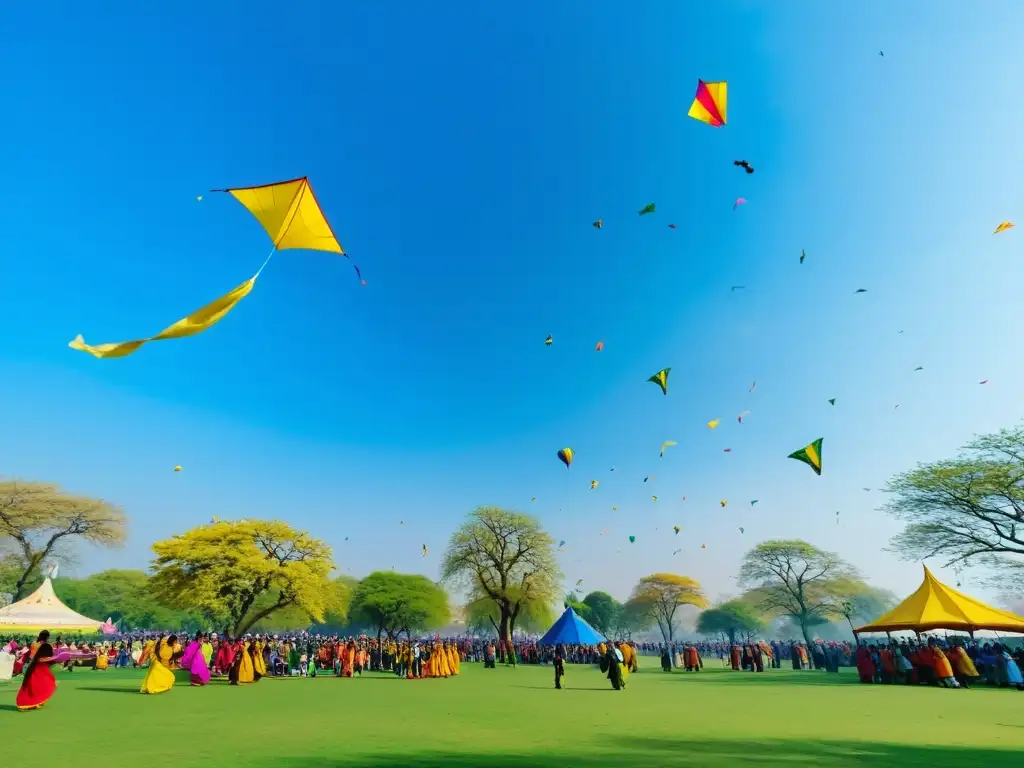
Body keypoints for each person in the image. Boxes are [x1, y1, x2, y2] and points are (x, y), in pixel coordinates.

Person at [15, 631, 58, 711]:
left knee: (31, 685)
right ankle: (36, 702)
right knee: (44, 683)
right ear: (47, 637)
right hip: (40, 667)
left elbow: (30, 655)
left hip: (32, 665)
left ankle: (32, 702)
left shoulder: (34, 644)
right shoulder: (46, 645)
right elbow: (45, 657)